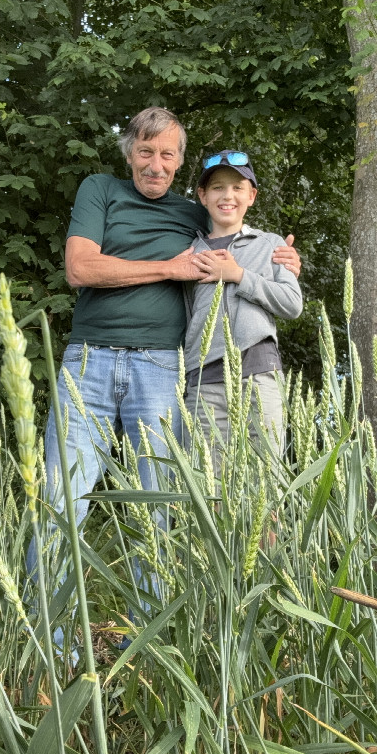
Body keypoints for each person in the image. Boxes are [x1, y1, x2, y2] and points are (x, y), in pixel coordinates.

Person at [29, 107, 300, 629]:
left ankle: (148, 633)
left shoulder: (193, 214)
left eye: (168, 155)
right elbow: (80, 268)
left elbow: (235, 224)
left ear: (179, 164)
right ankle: (49, 636)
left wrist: (284, 259)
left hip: (161, 368)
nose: (156, 165)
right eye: (146, 152)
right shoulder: (101, 190)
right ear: (129, 152)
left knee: (159, 502)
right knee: (62, 496)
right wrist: (170, 268)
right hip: (89, 360)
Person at [184, 149, 303, 458]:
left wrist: (238, 275)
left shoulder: (270, 244)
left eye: (238, 188)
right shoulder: (188, 253)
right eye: (218, 187)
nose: (228, 196)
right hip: (204, 384)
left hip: (259, 377)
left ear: (251, 196)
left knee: (265, 485)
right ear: (203, 195)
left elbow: (292, 304)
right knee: (210, 489)